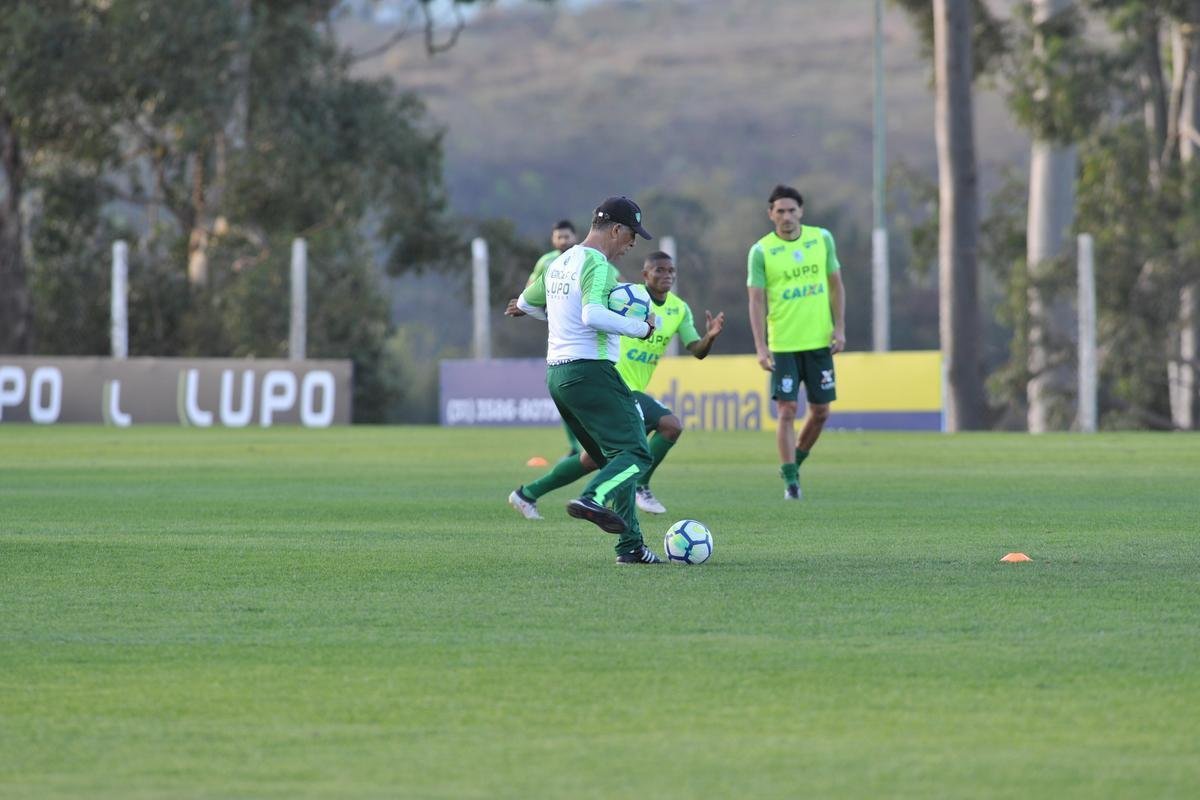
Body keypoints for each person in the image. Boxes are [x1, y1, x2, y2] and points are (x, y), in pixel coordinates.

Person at [504, 196, 663, 564]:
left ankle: (631, 547)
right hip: (591, 370)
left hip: (558, 375)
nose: (632, 244)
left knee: (613, 457)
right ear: (617, 230)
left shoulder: (562, 261)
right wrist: (641, 327)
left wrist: (558, 315)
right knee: (637, 451)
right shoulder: (598, 264)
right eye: (632, 235)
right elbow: (593, 315)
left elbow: (526, 304)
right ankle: (593, 499)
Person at [508, 251, 725, 519]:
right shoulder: (623, 297)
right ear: (645, 275)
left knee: (592, 459)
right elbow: (584, 310)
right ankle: (639, 486)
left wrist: (710, 337)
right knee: (671, 425)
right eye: (659, 270)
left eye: (671, 271)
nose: (666, 275)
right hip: (615, 384)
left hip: (632, 392)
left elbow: (696, 349)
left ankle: (527, 493)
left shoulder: (679, 309)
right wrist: (534, 307)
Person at [746, 184, 846, 500]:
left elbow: (836, 286)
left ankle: (795, 462)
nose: (787, 216)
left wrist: (839, 328)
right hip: (784, 344)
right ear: (771, 214)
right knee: (787, 409)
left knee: (820, 413)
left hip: (818, 342)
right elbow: (756, 301)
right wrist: (761, 347)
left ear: (801, 211)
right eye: (780, 211)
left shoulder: (822, 239)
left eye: (792, 210)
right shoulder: (761, 251)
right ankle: (791, 481)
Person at [525, 220, 582, 456]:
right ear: (553, 240)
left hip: (583, 336)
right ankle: (574, 447)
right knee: (563, 395)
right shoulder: (546, 262)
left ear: (575, 237)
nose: (563, 241)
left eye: (566, 237)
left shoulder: (586, 259)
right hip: (558, 337)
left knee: (576, 394)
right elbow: (529, 291)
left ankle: (588, 445)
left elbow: (616, 283)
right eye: (559, 237)